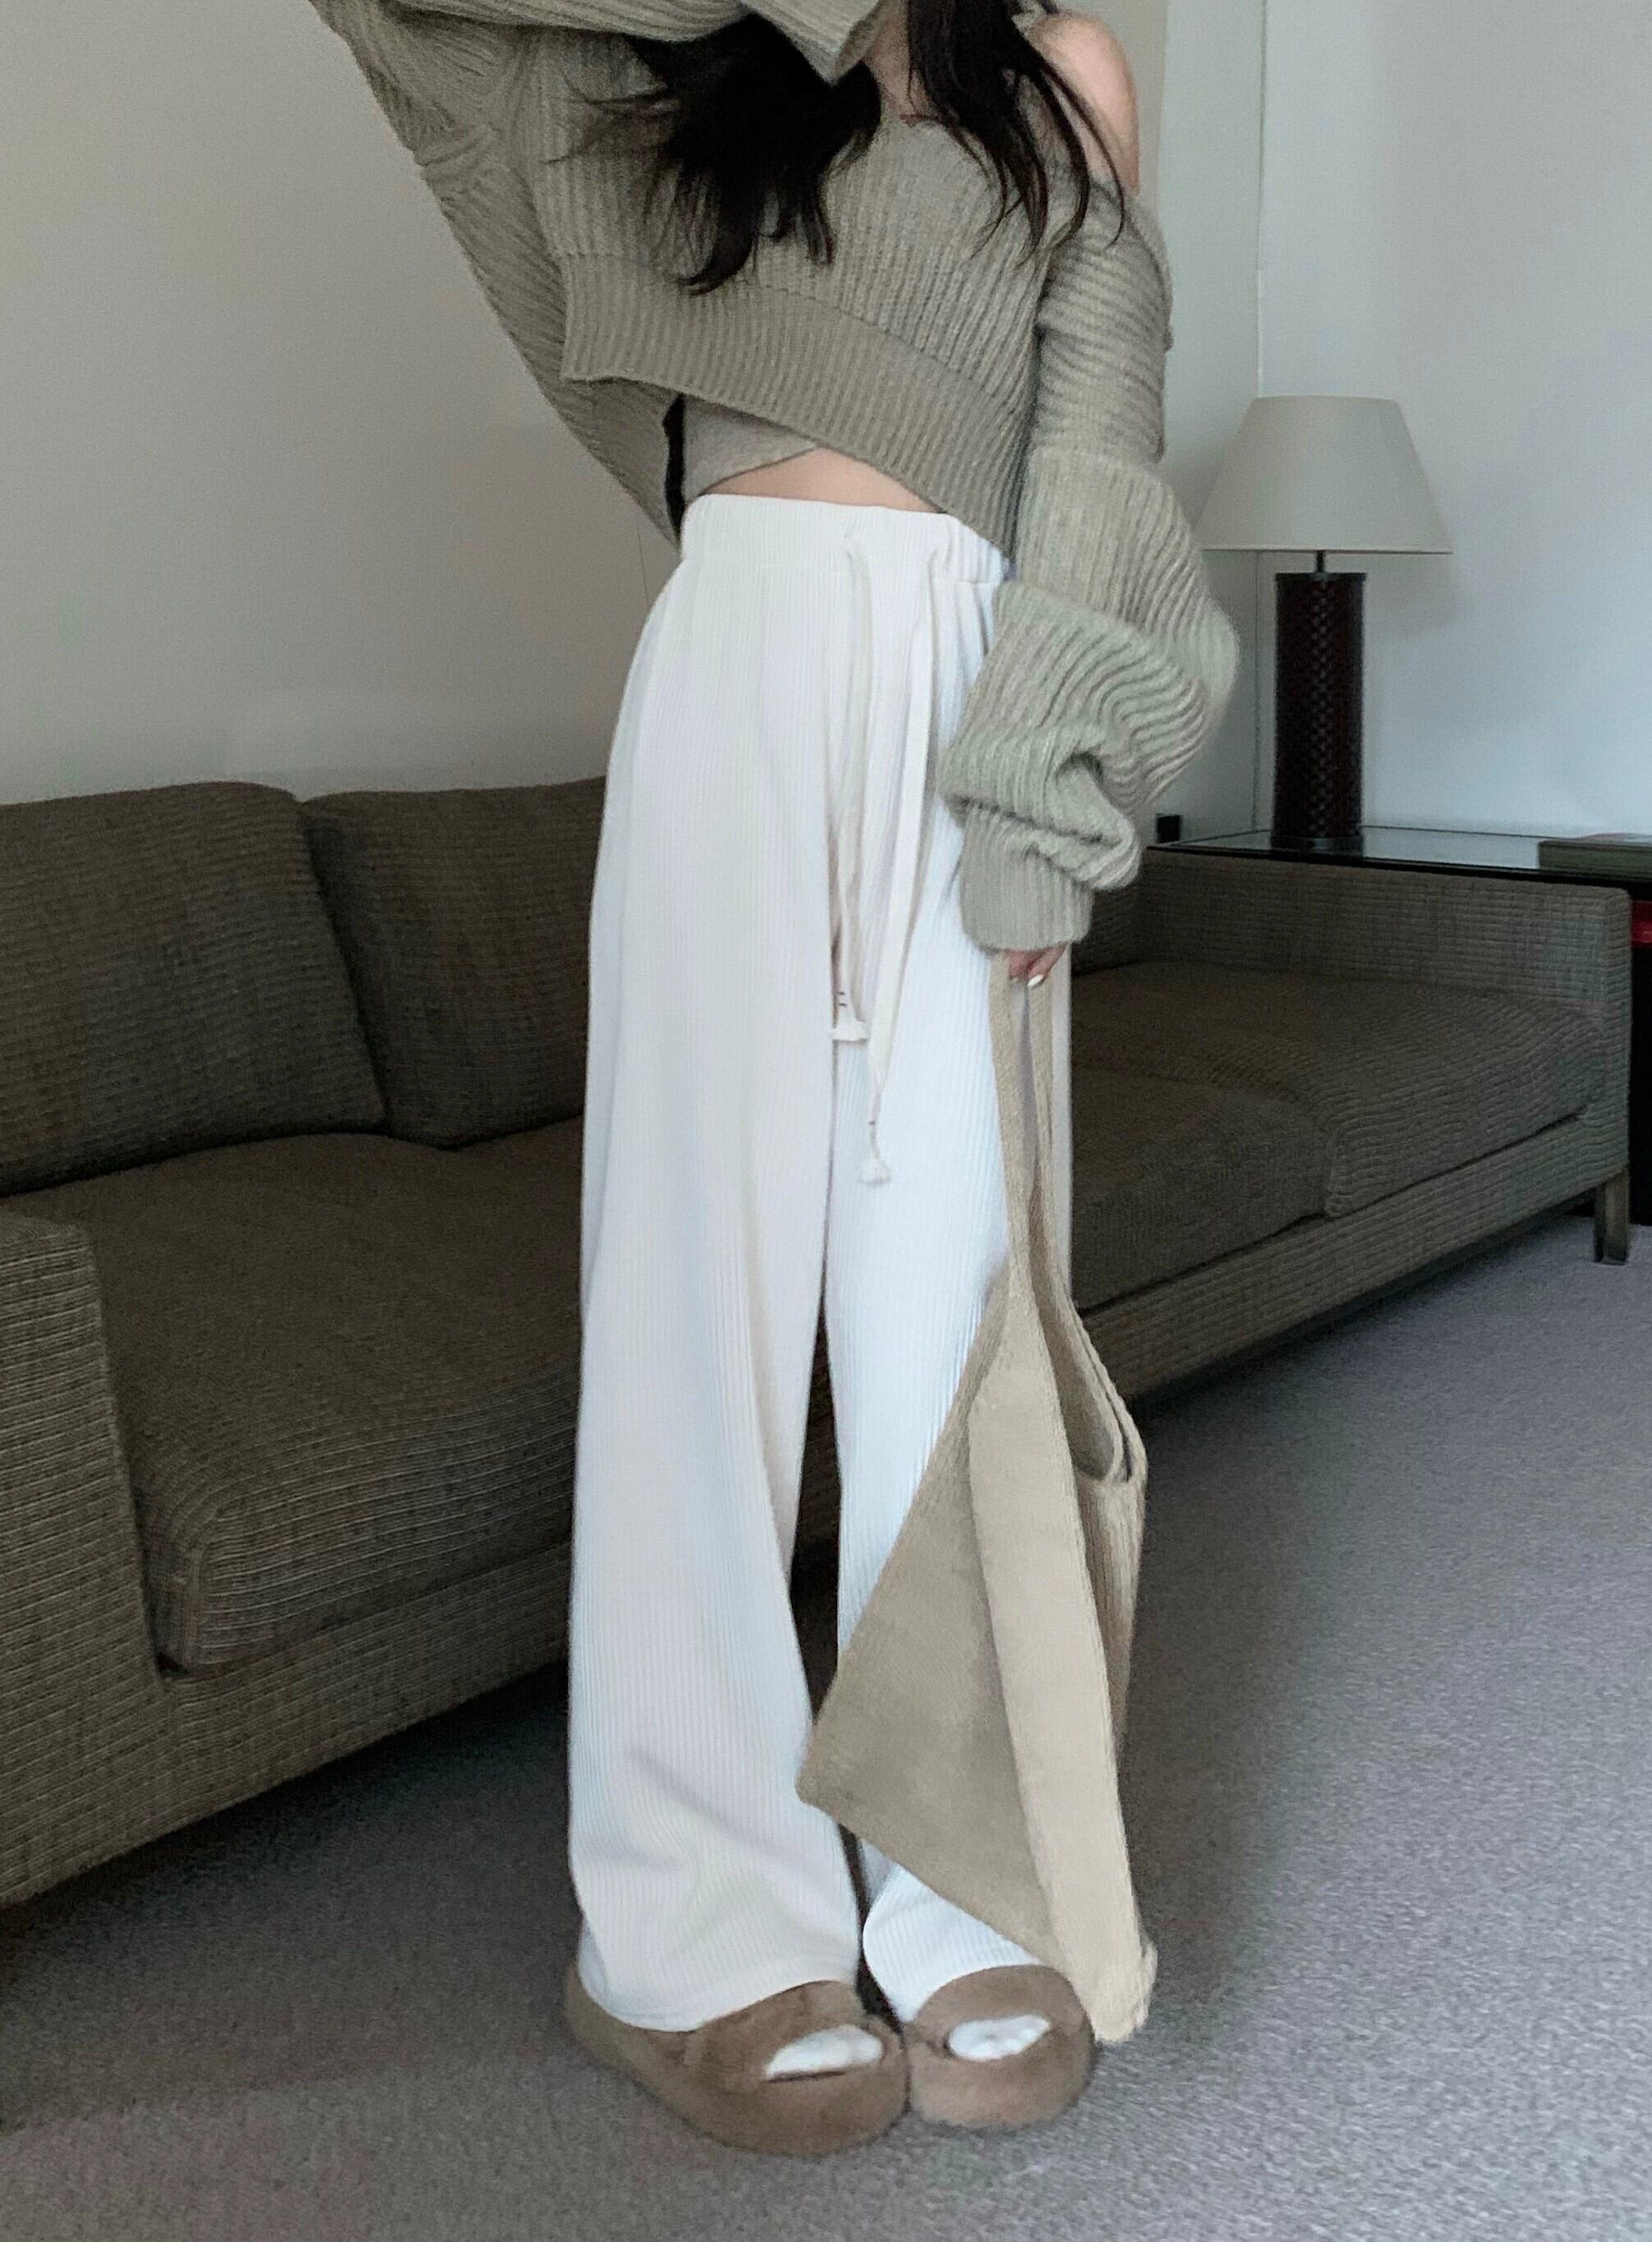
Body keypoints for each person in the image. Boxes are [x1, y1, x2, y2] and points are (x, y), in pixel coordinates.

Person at [304, 0, 1240, 2154]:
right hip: (730, 664)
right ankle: (692, 1930)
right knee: (690, 1310)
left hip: (968, 680)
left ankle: (969, 1882)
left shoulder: (1057, 66)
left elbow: (1099, 437)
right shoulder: (702, 53)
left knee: (950, 1306)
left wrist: (1047, 786)